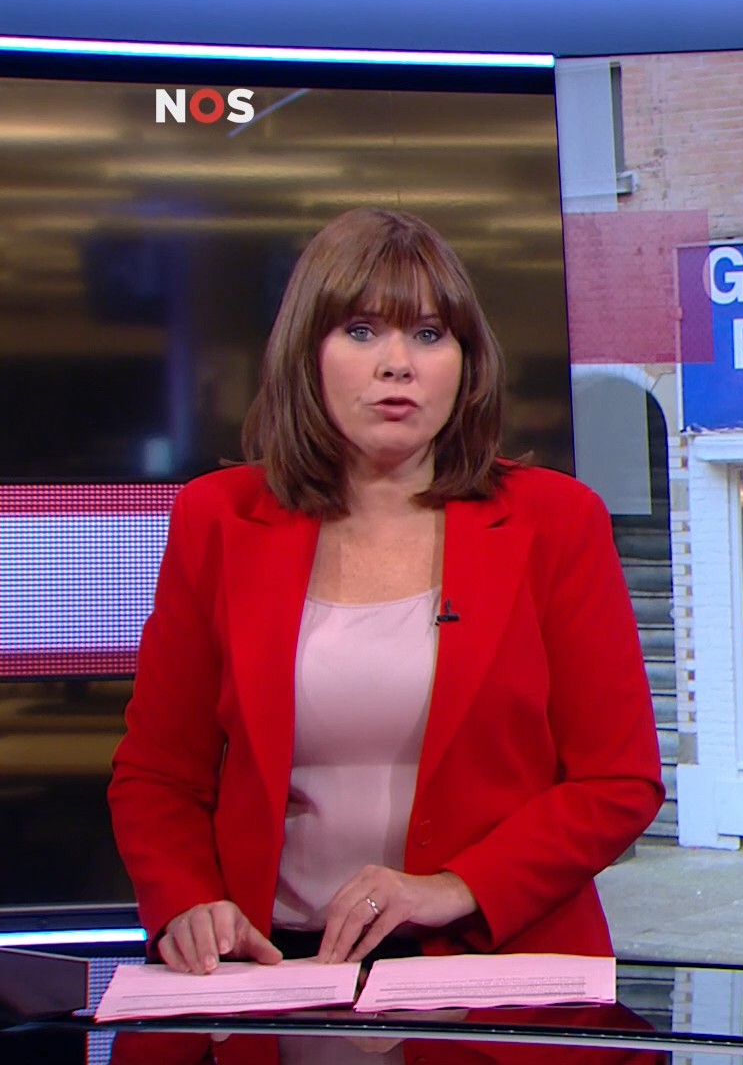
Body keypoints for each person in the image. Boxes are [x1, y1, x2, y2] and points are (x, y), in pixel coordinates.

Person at [108, 207, 663, 975]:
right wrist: (186, 899)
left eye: (429, 334)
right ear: (308, 353)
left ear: (466, 362)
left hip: (493, 952)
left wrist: (455, 887)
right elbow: (159, 773)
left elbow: (617, 780)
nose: (398, 364)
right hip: (272, 967)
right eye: (362, 331)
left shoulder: (556, 521)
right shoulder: (219, 519)